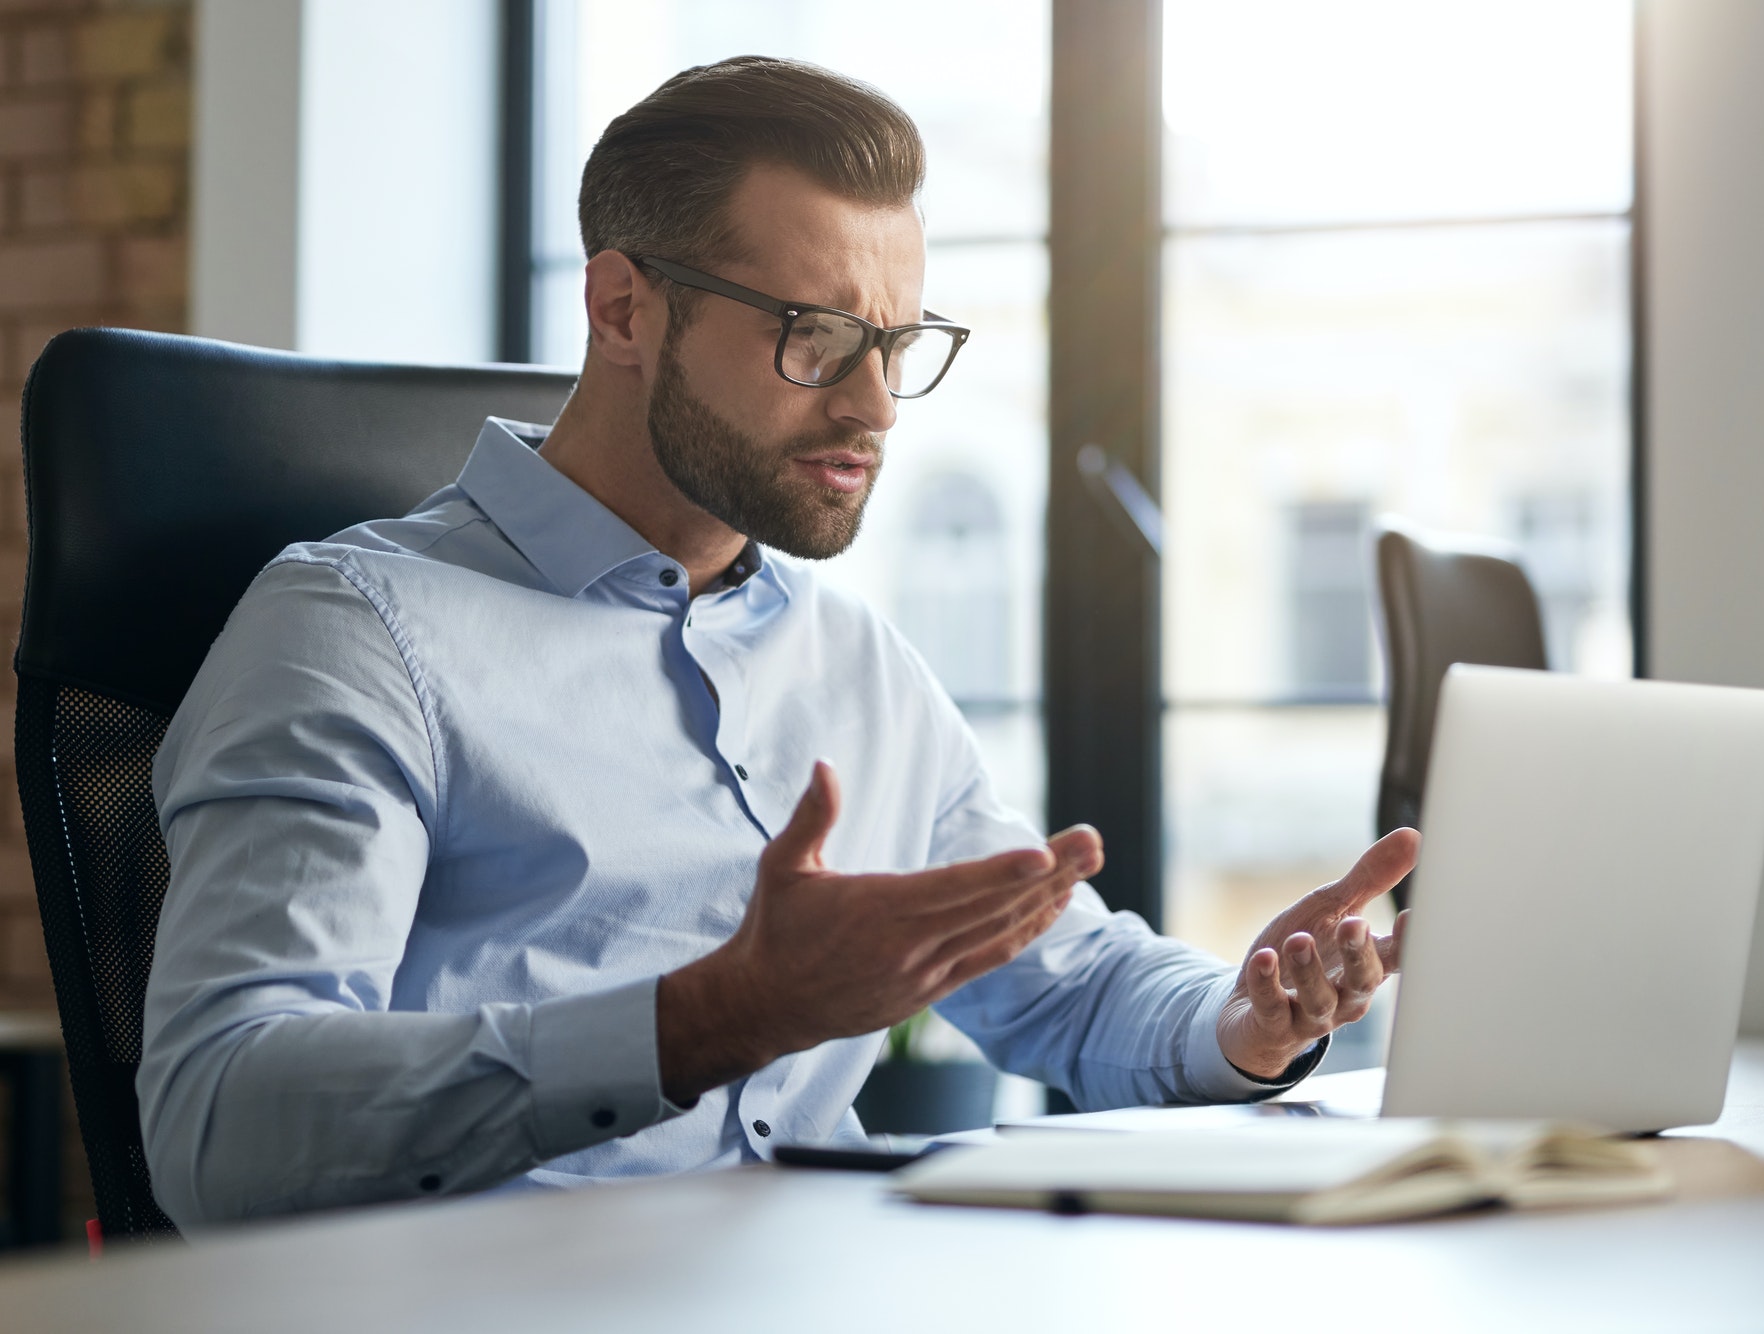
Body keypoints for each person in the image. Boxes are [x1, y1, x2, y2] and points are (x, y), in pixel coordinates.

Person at [138, 55, 1416, 1229]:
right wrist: (706, 1018)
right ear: (623, 308)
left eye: (896, 345)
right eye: (813, 336)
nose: (872, 406)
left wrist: (1242, 1015)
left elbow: (1063, 984)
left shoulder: (856, 667)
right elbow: (219, 1122)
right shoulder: (355, 633)